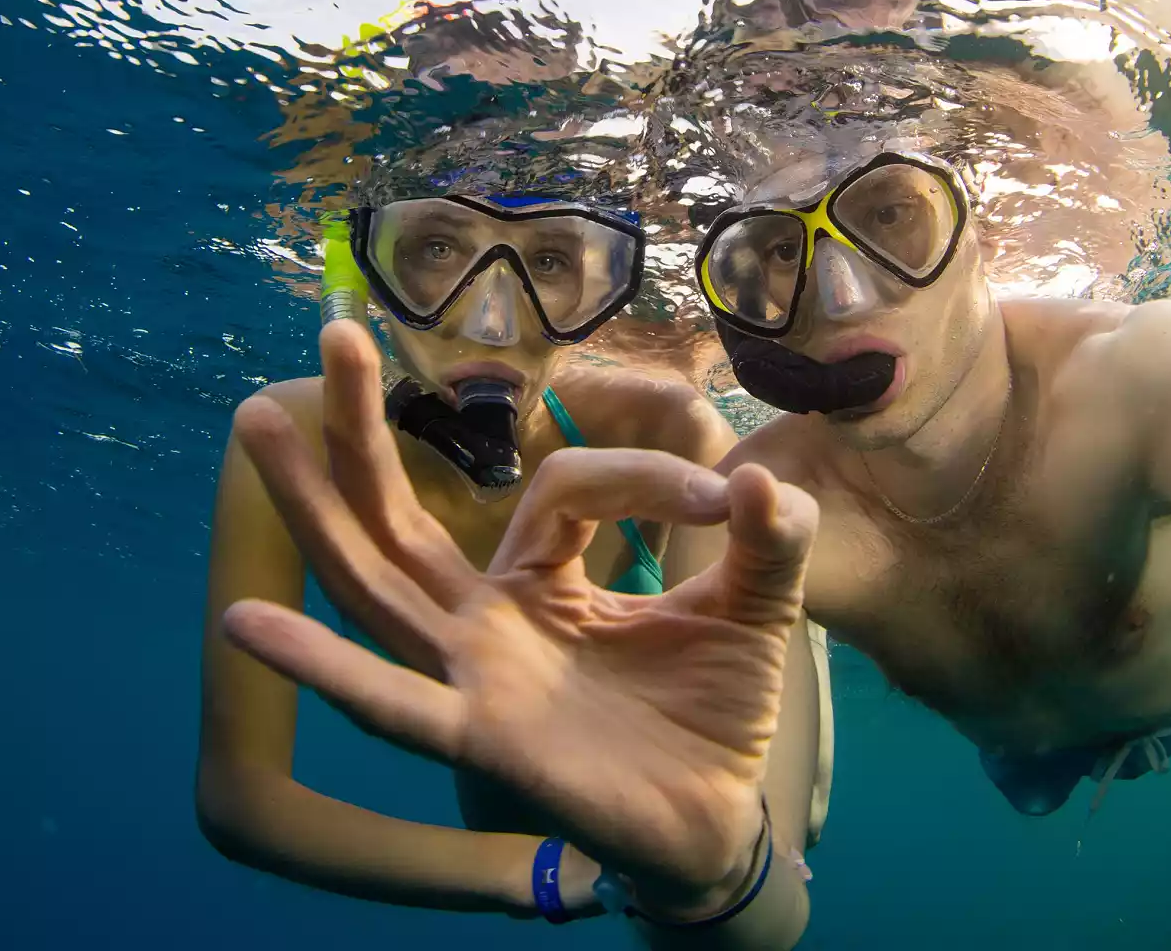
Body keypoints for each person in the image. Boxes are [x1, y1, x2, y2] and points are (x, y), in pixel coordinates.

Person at [195, 181, 830, 945]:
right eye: (436, 249)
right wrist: (537, 875)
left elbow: (772, 906)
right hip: (515, 777)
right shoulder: (286, 436)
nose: (495, 322)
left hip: (670, 753)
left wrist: (716, 873)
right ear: (363, 268)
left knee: (777, 840)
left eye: (553, 261)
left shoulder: (665, 430)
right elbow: (241, 797)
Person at [665, 131, 1171, 820]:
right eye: (778, 249)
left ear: (977, 232)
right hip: (1029, 758)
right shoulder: (753, 514)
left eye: (890, 216)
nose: (841, 298)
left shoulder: (1143, 375)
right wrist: (703, 878)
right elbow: (755, 862)